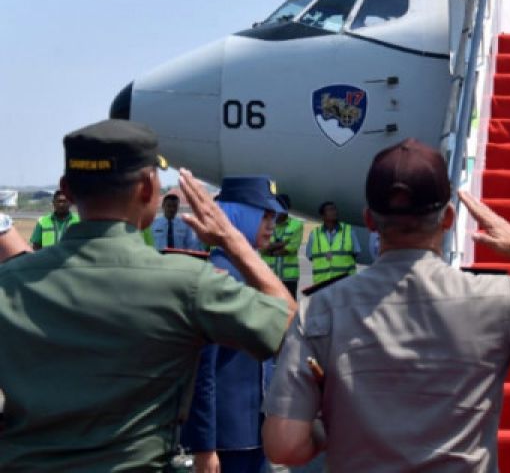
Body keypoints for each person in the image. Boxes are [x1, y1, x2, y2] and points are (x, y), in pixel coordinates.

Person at [262, 138, 510, 471]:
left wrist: (333, 422)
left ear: (370, 221)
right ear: (448, 218)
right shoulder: (496, 298)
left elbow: (285, 446)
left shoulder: (321, 309)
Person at [0, 119, 295, 471]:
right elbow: (289, 325)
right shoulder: (188, 284)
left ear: (67, 188)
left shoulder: (11, 284)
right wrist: (232, 241)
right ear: (147, 187)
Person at [182, 176, 288, 473]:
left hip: (254, 432)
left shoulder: (250, 273)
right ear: (237, 213)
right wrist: (205, 445)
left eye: (274, 217)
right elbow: (203, 370)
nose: (271, 224)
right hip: (228, 440)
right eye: (264, 215)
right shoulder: (220, 278)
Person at [305, 200, 360, 285]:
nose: (334, 212)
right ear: (323, 215)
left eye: (334, 209)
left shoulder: (348, 231)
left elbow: (356, 253)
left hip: (345, 282)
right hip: (322, 283)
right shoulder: (314, 234)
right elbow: (310, 256)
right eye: (330, 210)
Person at [261, 199, 303, 296]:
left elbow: (291, 248)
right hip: (268, 276)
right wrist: (282, 243)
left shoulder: (296, 225)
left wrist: (271, 251)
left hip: (289, 277)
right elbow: (262, 247)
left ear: (287, 209)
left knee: (289, 308)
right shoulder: (264, 223)